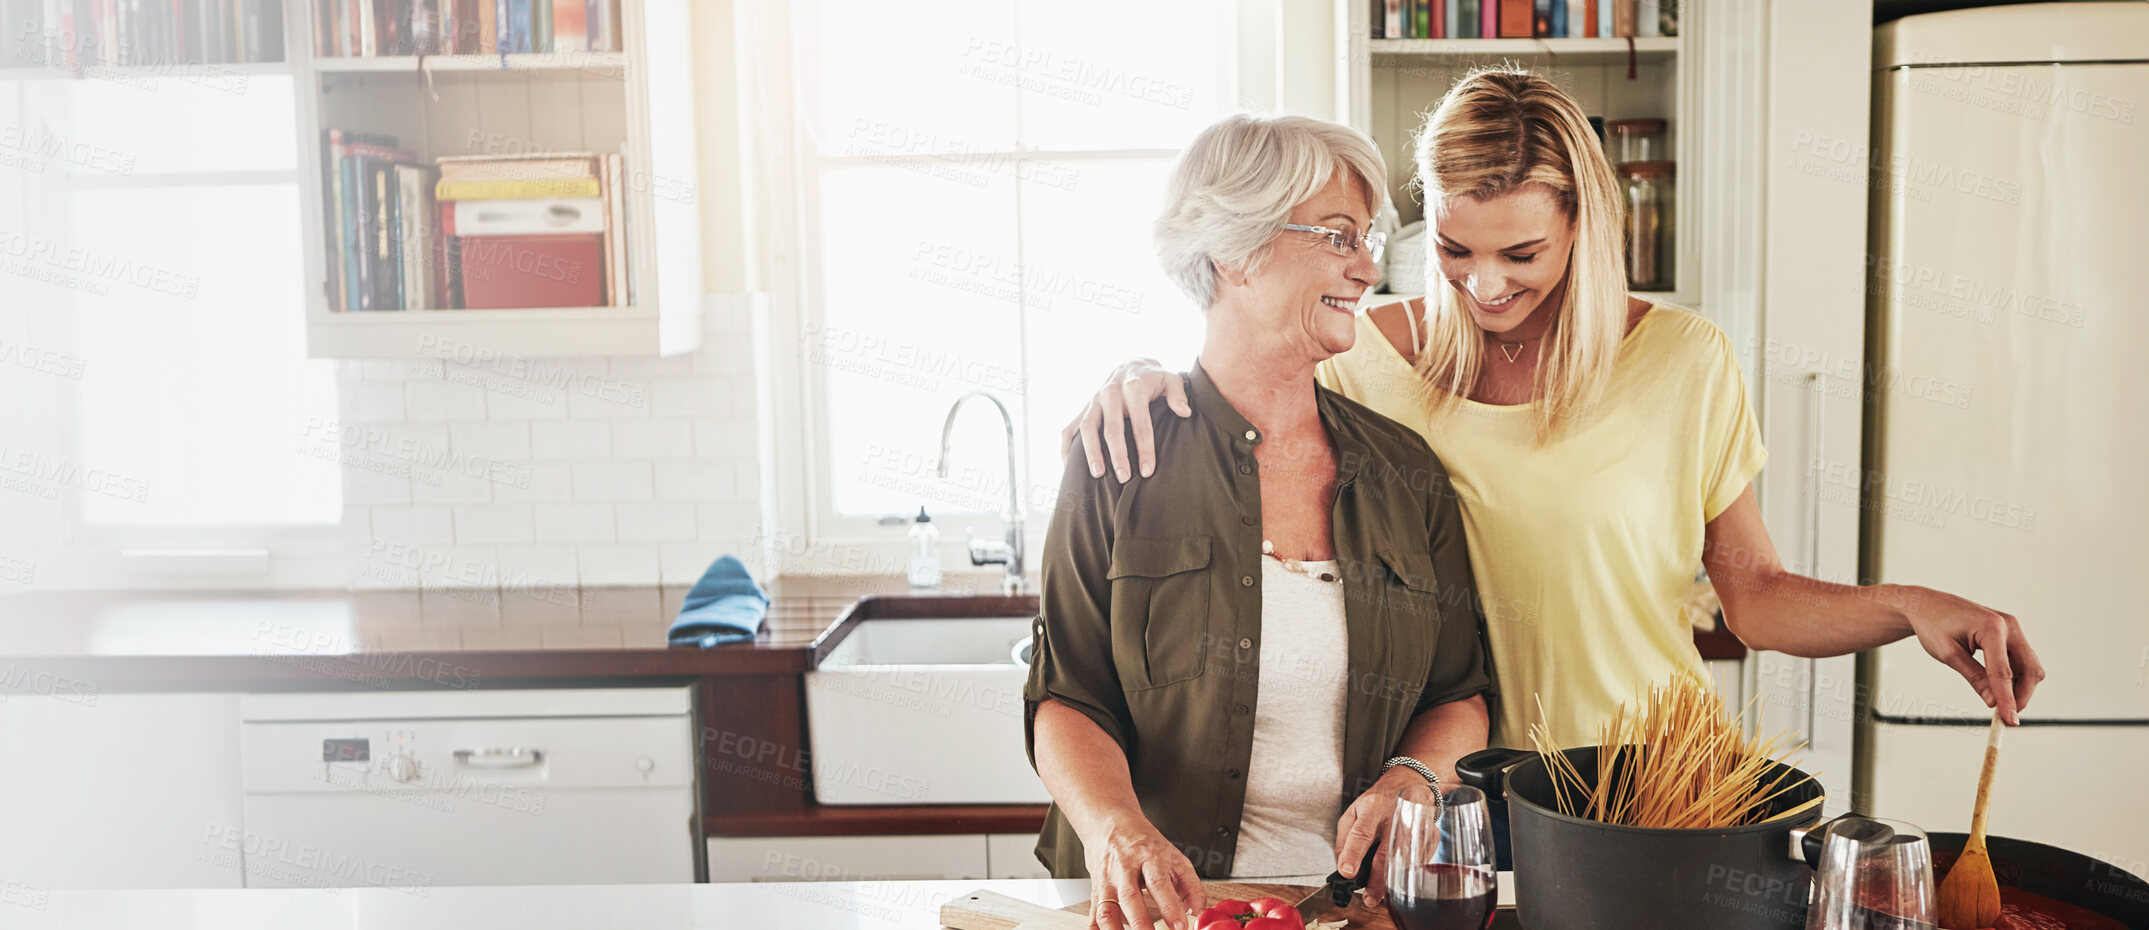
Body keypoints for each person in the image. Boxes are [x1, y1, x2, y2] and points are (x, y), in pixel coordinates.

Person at [1064, 68, 2044, 786]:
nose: (1485, 285)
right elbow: (1246, 373)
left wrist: (1910, 605)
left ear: (1582, 228)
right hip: (1455, 789)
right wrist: (1136, 374)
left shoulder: (1681, 360)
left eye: (1522, 251)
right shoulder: (1364, 360)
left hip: (1653, 783)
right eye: (1453, 248)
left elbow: (1753, 596)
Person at [1023, 113, 1494, 930]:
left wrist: (1406, 779)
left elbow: (1458, 692)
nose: (1368, 265)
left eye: (1368, 237)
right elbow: (1067, 698)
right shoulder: (1118, 457)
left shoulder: (1405, 471)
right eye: (1339, 236)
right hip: (1151, 912)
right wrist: (1116, 833)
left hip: (1349, 912)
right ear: (1233, 251)